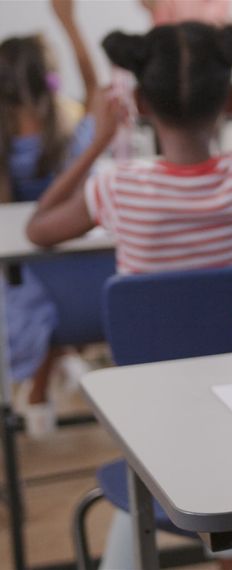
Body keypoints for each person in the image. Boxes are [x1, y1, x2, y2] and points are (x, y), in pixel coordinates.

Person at [25, 0, 232, 567]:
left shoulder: (118, 190)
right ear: (230, 101)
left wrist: (97, 141)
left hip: (157, 412)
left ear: (141, 105)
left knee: (169, 455)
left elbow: (38, 228)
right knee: (220, 448)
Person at [1, 0, 98, 436]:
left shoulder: (6, 140)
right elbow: (96, 90)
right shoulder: (73, 128)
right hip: (82, 275)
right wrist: (69, 21)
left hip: (28, 272)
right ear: (49, 77)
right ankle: (54, 368)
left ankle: (41, 382)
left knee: (25, 293)